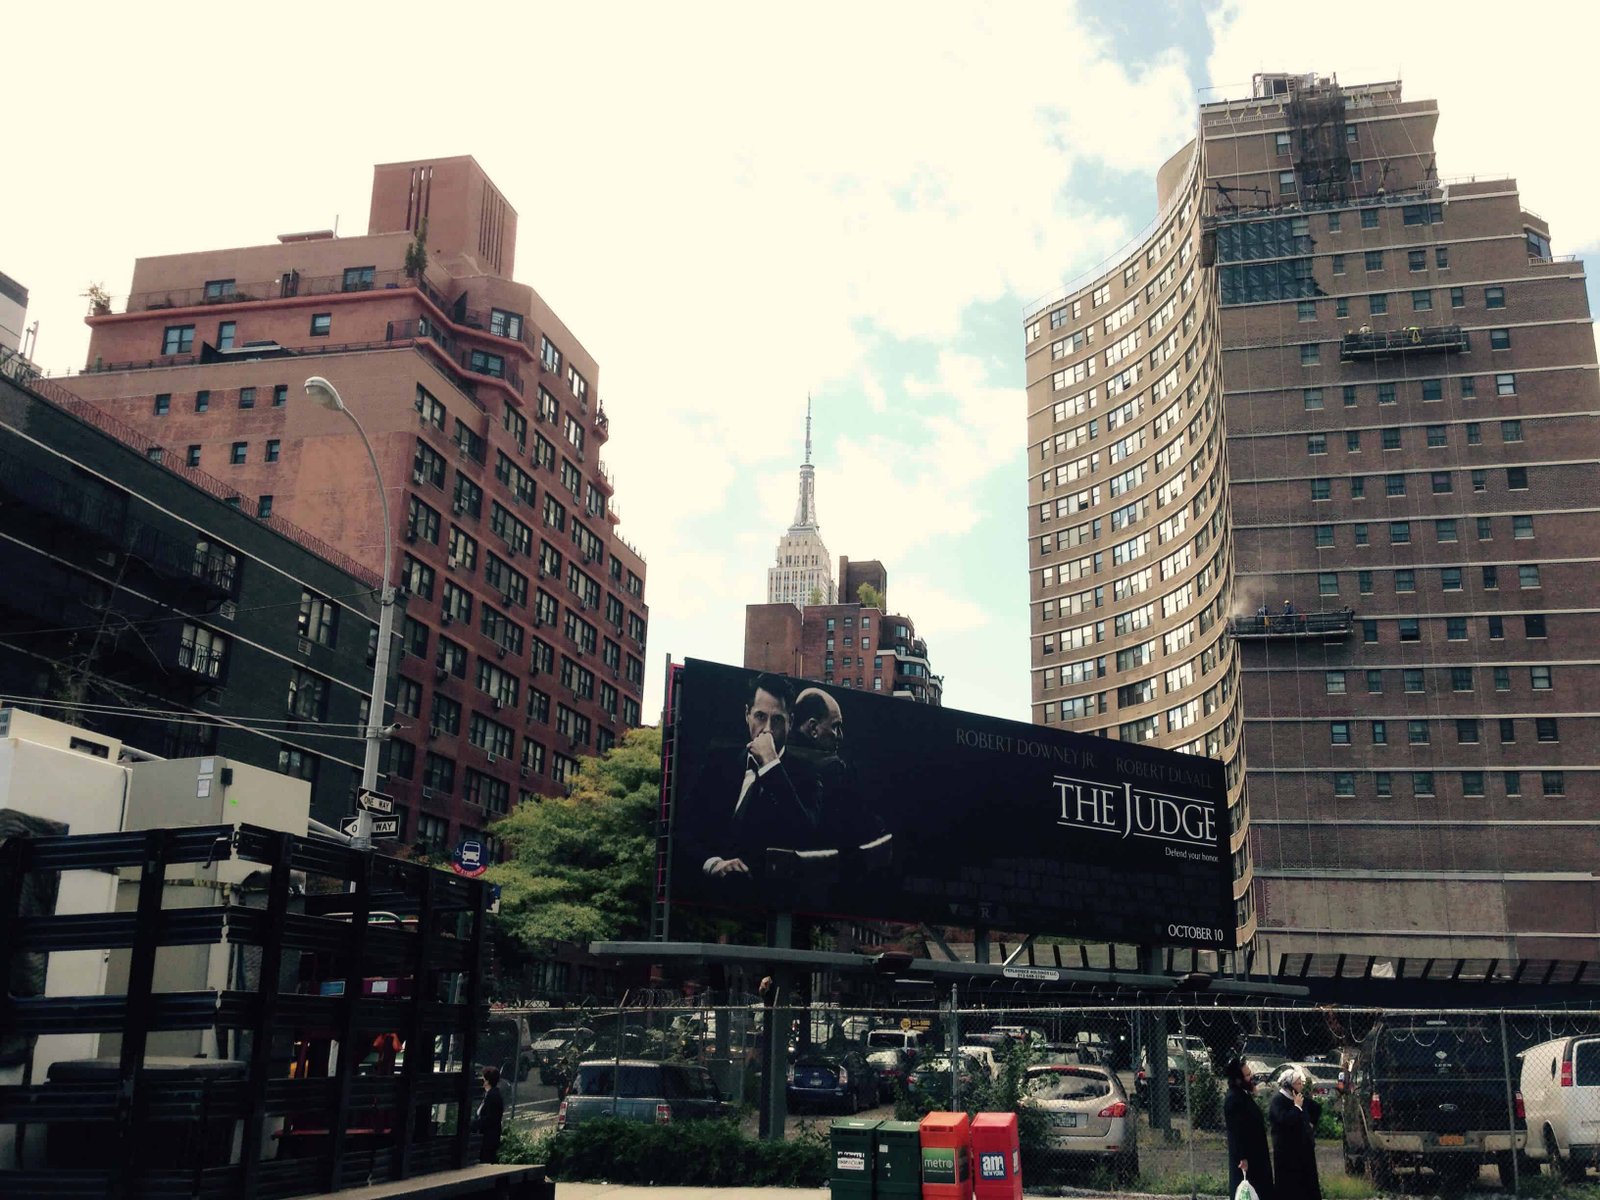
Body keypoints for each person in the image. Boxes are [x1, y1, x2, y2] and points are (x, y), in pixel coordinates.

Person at [1224, 1057, 1275, 1200]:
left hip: (1255, 1155)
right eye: (1247, 1075)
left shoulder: (1242, 1094)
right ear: (1238, 1079)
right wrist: (1242, 1157)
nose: (1251, 1077)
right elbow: (1236, 1132)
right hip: (1247, 1159)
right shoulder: (1234, 1099)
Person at [1268, 1066, 1321, 1200]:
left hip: (1303, 1149)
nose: (1301, 1086)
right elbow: (1285, 1120)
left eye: (1301, 1083)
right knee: (1290, 1188)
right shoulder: (1278, 1101)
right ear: (1288, 1085)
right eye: (1298, 1083)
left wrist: (1311, 1124)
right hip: (1287, 1153)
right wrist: (1296, 1107)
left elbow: (1316, 1109)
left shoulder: (1299, 1098)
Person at [476, 1065, 504, 1164]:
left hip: (489, 1138)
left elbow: (490, 1119)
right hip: (488, 1137)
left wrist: (474, 1124)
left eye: (483, 1078)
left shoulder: (493, 1096)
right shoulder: (490, 1094)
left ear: (487, 1081)